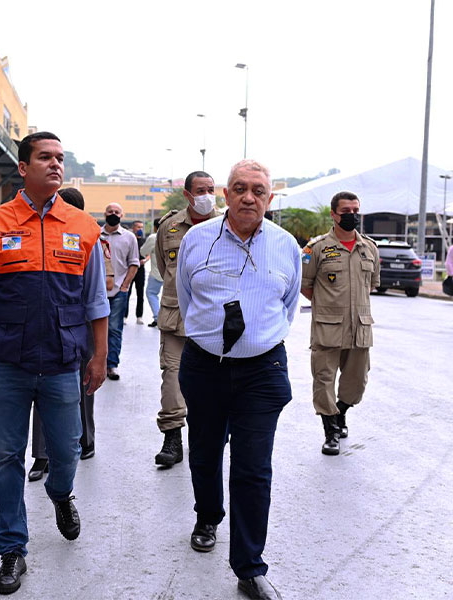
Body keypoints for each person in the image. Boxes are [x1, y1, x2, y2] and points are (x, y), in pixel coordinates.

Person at [0, 132, 109, 595]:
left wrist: (99, 356)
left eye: (60, 158)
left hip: (64, 363)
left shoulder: (84, 227)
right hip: (7, 363)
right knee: (8, 456)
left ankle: (61, 494)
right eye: (45, 157)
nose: (55, 165)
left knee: (67, 450)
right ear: (23, 168)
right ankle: (12, 550)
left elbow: (96, 301)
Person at [177, 159, 300, 600]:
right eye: (240, 188)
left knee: (253, 467)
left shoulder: (286, 246)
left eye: (259, 190)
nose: (249, 197)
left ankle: (249, 567)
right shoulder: (197, 239)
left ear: (269, 198)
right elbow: (187, 296)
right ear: (226, 194)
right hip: (205, 365)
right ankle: (208, 515)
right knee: (206, 453)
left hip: (262, 372)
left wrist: (256, 342)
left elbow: (287, 306)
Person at [28, 187, 101, 482]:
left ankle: (84, 440)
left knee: (83, 388)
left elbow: (97, 293)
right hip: (45, 327)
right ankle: (42, 455)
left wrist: (102, 350)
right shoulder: (40, 233)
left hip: (81, 326)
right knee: (42, 390)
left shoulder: (88, 235)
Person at [300, 191, 380, 455]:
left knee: (356, 383)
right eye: (346, 211)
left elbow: (372, 285)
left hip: (360, 327)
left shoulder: (369, 248)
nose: (352, 216)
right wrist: (329, 306)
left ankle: (341, 410)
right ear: (334, 214)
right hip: (328, 328)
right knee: (323, 380)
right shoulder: (317, 248)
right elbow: (305, 284)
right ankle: (330, 431)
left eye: (355, 210)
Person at [153, 172, 221, 467]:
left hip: (216, 318)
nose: (207, 195)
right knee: (172, 377)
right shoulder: (169, 226)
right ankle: (172, 437)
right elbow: (162, 264)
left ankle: (209, 435)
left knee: (215, 382)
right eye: (200, 190)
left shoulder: (226, 225)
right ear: (187, 194)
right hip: (175, 316)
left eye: (211, 189)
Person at [101, 203, 140, 380]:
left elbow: (134, 263)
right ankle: (97, 363)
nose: (113, 214)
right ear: (105, 214)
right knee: (95, 328)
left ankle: (111, 365)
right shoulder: (96, 235)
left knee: (114, 329)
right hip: (98, 291)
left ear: (122, 215)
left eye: (117, 212)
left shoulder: (129, 237)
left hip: (118, 291)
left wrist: (125, 286)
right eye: (110, 212)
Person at [139, 218, 163, 327]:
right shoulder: (175, 235)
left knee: (151, 293)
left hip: (157, 273)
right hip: (172, 274)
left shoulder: (154, 237)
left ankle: (158, 318)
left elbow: (143, 251)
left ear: (154, 227)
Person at [125, 220, 147, 324]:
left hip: (140, 270)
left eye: (141, 227)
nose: (140, 229)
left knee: (140, 293)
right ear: (133, 228)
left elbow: (150, 253)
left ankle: (139, 316)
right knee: (127, 292)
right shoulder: (130, 239)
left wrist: (145, 260)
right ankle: (124, 316)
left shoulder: (144, 241)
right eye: (138, 227)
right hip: (130, 269)